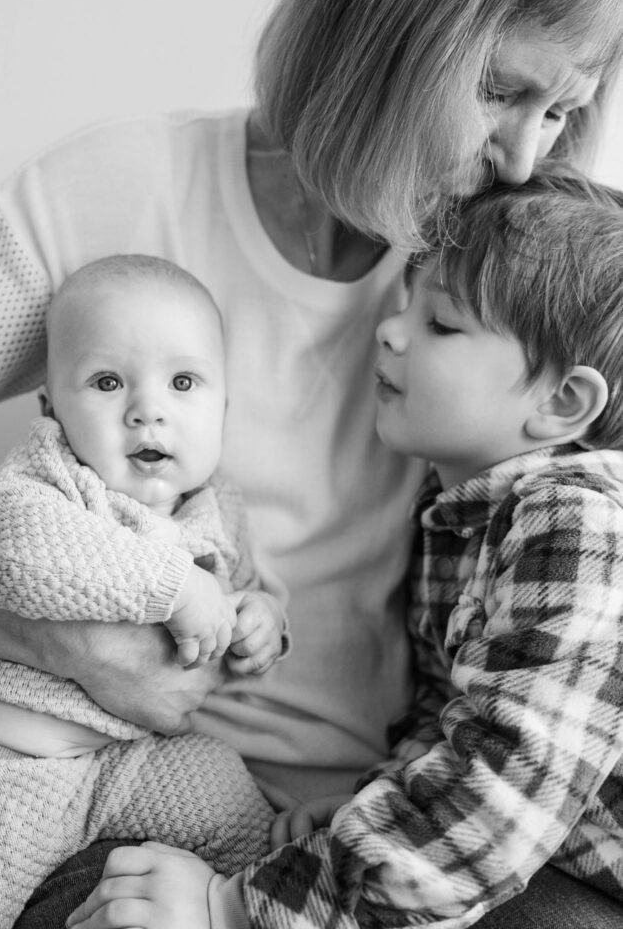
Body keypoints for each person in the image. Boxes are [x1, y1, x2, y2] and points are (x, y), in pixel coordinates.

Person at [0, 0, 622, 925]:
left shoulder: (505, 281)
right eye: (496, 90)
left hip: (379, 829)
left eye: (561, 110)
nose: (524, 160)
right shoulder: (115, 190)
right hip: (123, 796)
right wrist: (11, 615)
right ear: (382, 31)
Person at [67, 166, 623, 928]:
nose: (390, 330)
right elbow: (459, 717)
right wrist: (378, 803)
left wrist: (235, 909)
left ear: (561, 402)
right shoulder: (466, 514)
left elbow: (495, 797)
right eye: (404, 304)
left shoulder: (576, 522)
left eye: (441, 324)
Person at [0, 254, 285, 928]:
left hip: (120, 769)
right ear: (52, 408)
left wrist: (260, 624)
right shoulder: (52, 474)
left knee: (230, 799)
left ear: (223, 407)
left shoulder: (218, 508)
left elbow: (243, 591)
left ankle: (281, 899)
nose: (147, 411)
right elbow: (13, 551)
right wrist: (173, 587)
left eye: (183, 382)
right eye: (106, 382)